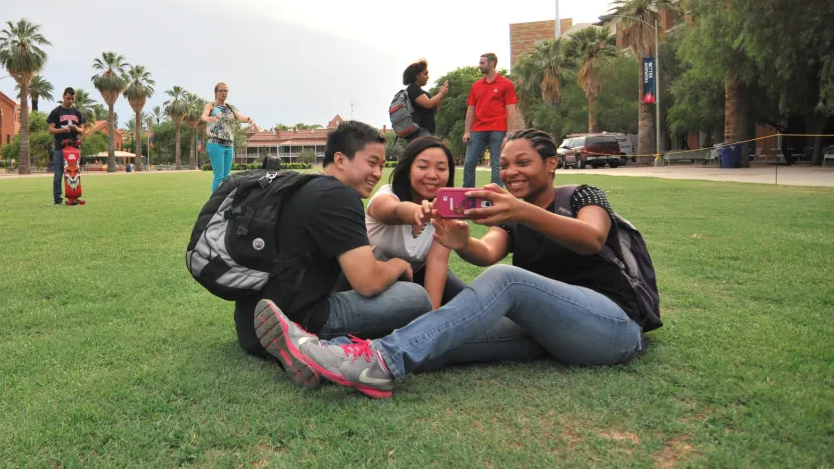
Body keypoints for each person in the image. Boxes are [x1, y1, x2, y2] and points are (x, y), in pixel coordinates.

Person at [254, 129, 655, 399]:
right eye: (506, 164)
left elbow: (592, 238)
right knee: (443, 341)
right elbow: (486, 253)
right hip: (551, 331)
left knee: (506, 281)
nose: (511, 172)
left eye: (524, 163)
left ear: (552, 165)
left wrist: (522, 211)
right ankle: (328, 356)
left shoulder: (584, 194)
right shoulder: (515, 216)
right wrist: (461, 241)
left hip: (613, 327)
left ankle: (380, 362)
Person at [237, 121, 432, 387]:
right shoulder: (339, 196)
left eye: (381, 165)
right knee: (417, 299)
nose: (377, 173)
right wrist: (399, 265)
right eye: (371, 162)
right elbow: (368, 282)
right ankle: (323, 348)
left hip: (250, 323)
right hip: (296, 317)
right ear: (340, 159)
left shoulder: (303, 185)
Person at [365, 135, 469, 309]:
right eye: (423, 166)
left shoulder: (446, 214)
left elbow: (437, 263)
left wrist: (430, 320)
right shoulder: (386, 196)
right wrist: (419, 212)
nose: (432, 175)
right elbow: (393, 210)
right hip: (372, 280)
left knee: (472, 304)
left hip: (418, 277)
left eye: (441, 168)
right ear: (408, 170)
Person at [462, 52, 517, 188]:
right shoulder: (476, 85)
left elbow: (511, 109)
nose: (479, 65)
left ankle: (495, 195)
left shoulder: (506, 84)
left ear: (491, 63)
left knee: (496, 164)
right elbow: (471, 110)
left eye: (482, 63)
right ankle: (466, 194)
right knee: (469, 163)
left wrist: (509, 133)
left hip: (498, 129)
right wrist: (467, 131)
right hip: (477, 129)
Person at [201, 82, 255, 193]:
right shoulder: (211, 106)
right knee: (219, 176)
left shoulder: (231, 107)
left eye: (226, 90)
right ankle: (214, 206)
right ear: (216, 93)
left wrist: (248, 119)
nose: (224, 93)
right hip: (215, 144)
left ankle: (223, 202)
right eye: (221, 90)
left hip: (229, 145)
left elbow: (240, 117)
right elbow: (204, 115)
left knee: (227, 177)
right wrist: (206, 118)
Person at [47, 87, 83, 205]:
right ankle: (58, 199)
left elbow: (82, 130)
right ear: (63, 96)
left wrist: (76, 128)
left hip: (74, 149)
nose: (70, 101)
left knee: (74, 173)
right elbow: (50, 129)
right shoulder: (56, 112)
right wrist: (62, 130)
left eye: (72, 99)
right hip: (60, 148)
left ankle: (74, 195)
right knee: (58, 175)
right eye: (68, 98)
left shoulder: (77, 113)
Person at [402, 59, 448, 140]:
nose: (428, 77)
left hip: (427, 132)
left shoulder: (422, 92)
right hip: (420, 131)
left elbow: (435, 110)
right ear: (417, 75)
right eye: (425, 74)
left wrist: (441, 95)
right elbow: (428, 104)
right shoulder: (413, 89)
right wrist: (441, 93)